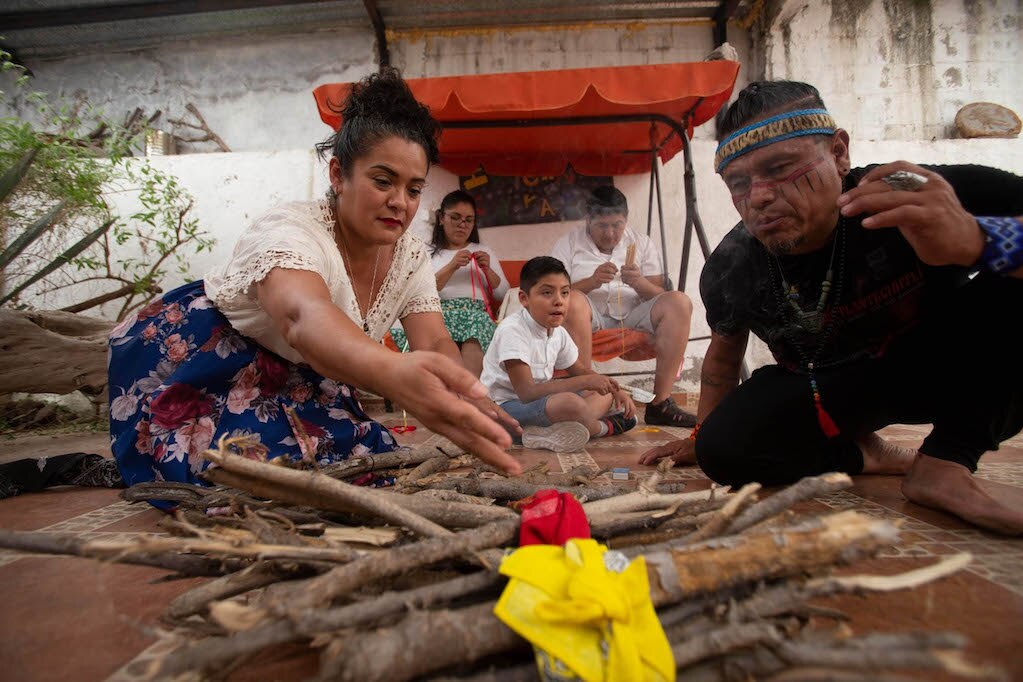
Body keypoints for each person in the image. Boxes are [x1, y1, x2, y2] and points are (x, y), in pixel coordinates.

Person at [108, 68, 522, 504]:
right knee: (249, 478)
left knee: (361, 464)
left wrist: (459, 391)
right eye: (383, 181)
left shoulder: (410, 255)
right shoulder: (290, 231)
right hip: (213, 361)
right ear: (339, 175)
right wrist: (394, 372)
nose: (400, 201)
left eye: (414, 188)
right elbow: (302, 316)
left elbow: (434, 338)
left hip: (307, 373)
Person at [639, 80, 1023, 535]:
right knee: (724, 450)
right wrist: (700, 441)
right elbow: (721, 366)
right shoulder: (731, 265)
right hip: (830, 391)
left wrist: (980, 242)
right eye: (739, 183)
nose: (758, 197)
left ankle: (946, 461)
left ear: (839, 153)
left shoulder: (909, 191)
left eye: (780, 167)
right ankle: (867, 454)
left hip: (947, 365)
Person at [552, 186, 697, 427]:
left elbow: (662, 294)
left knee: (680, 302)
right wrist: (591, 281)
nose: (610, 234)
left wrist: (639, 282)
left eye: (617, 225)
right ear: (588, 220)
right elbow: (555, 291)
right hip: (589, 317)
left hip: (634, 316)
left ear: (626, 219)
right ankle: (590, 393)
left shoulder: (641, 242)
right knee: (574, 299)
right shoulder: (568, 243)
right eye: (602, 226)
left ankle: (660, 404)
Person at [481, 256, 638, 452]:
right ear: (524, 299)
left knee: (601, 394)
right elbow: (527, 393)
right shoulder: (512, 330)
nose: (558, 301)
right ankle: (601, 428)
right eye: (547, 293)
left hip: (540, 403)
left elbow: (580, 370)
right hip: (505, 408)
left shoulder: (558, 332)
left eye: (565, 293)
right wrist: (584, 382)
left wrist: (614, 389)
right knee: (570, 403)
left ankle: (545, 432)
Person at [392, 190, 509, 377]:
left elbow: (503, 295)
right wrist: (452, 266)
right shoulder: (426, 252)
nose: (462, 225)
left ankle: (465, 394)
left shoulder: (483, 250)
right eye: (455, 217)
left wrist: (488, 270)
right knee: (435, 327)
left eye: (468, 220)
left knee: (476, 324)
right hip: (438, 314)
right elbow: (420, 292)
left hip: (476, 315)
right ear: (441, 218)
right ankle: (459, 395)